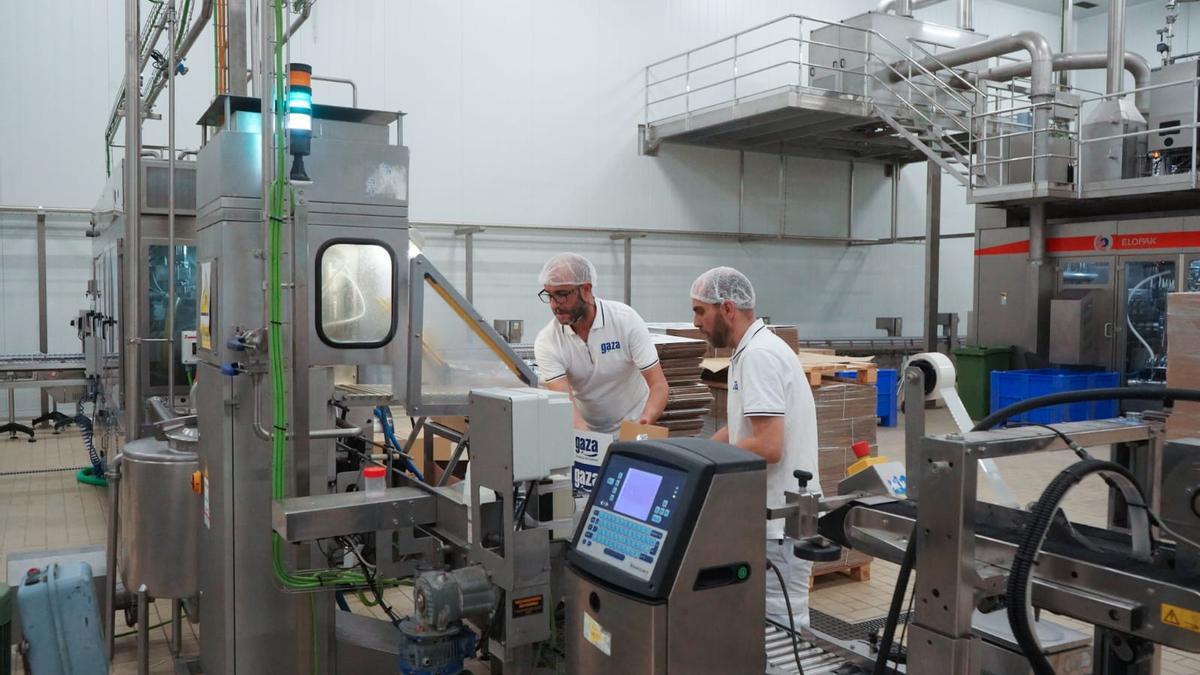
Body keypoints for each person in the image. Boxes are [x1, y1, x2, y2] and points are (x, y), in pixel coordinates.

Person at [689, 266, 820, 631]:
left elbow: (767, 444)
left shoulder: (759, 356)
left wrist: (707, 467)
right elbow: (742, 426)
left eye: (700, 311)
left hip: (780, 523)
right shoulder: (751, 350)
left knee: (781, 633)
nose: (696, 322)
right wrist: (692, 454)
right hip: (768, 517)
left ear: (727, 308)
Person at [533, 253, 669, 434]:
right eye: (549, 295)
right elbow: (565, 404)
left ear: (586, 290)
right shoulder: (548, 341)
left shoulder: (625, 320)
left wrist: (643, 423)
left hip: (635, 421)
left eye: (562, 294)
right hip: (585, 428)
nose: (554, 304)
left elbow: (659, 385)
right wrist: (592, 443)